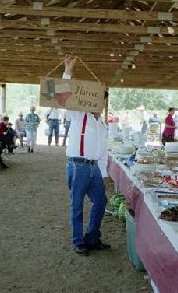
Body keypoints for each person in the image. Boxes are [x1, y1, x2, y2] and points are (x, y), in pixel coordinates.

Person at [63, 56, 109, 256]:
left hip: (94, 168)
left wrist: (104, 173)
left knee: (100, 202)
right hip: (78, 165)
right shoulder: (78, 115)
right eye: (99, 100)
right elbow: (63, 97)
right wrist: (68, 71)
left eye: (103, 101)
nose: (101, 104)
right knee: (77, 205)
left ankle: (92, 237)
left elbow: (103, 149)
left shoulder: (102, 124)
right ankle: (78, 240)